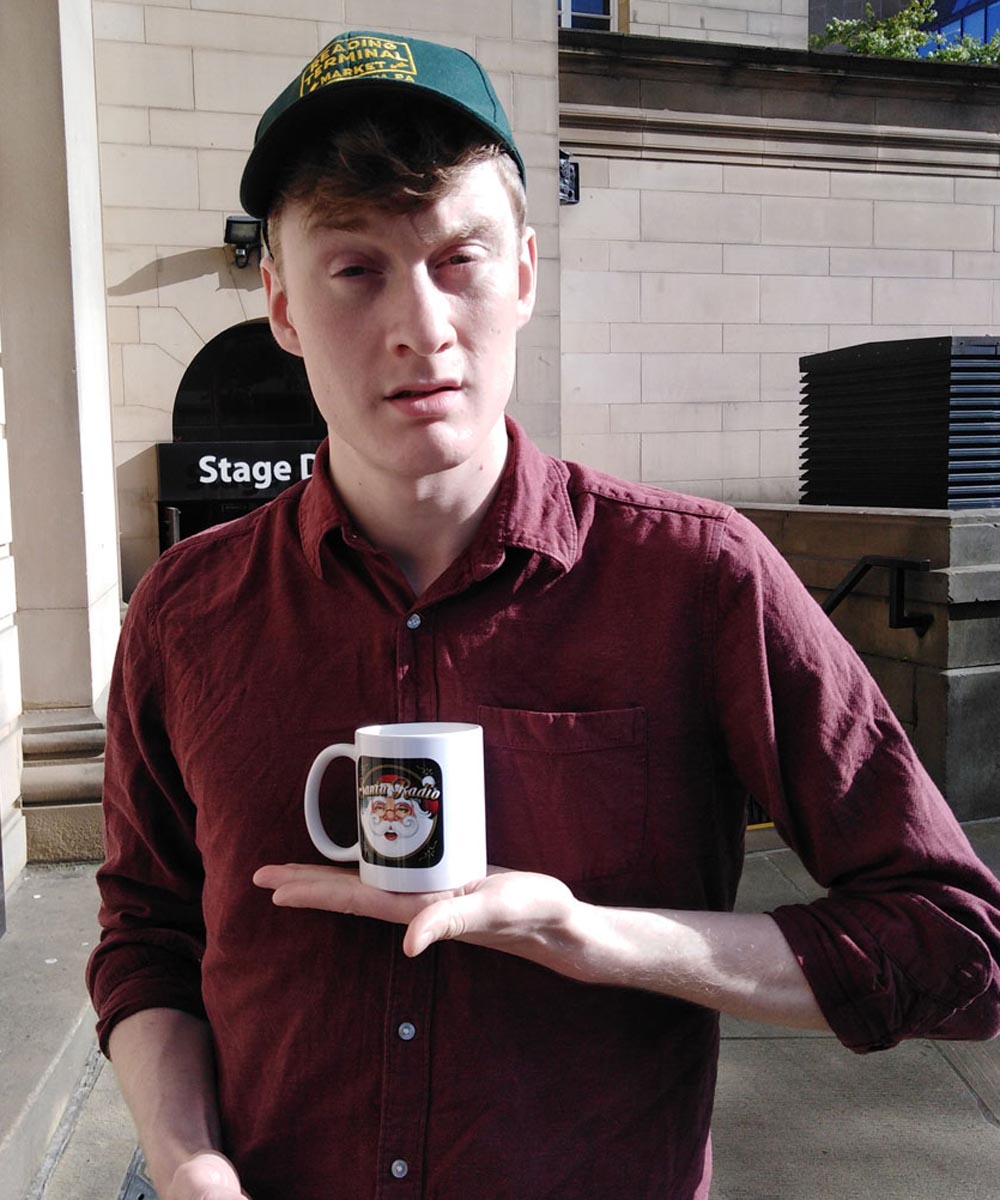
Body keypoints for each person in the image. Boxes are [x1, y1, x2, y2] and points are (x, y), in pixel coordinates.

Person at [87, 28, 1000, 1200]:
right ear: (280, 302)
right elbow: (145, 937)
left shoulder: (696, 579)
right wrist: (184, 1161)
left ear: (523, 271)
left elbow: (955, 949)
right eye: (354, 269)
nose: (419, 324)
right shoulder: (189, 610)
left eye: (457, 257)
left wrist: (592, 937)